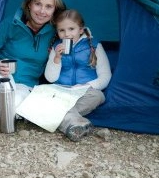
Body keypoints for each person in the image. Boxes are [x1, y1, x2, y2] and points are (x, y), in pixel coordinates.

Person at [0, 0, 66, 116]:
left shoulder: (55, 33)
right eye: (38, 4)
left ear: (54, 10)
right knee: (5, 92)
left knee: (13, 110)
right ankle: (1, 106)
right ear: (29, 4)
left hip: (25, 86)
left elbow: (76, 31)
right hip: (0, 78)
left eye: (48, 7)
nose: (42, 11)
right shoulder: (11, 23)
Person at [44, 9, 112, 141]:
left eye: (71, 29)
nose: (66, 34)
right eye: (61, 30)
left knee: (98, 96)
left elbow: (105, 76)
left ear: (81, 30)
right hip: (61, 91)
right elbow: (50, 78)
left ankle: (63, 116)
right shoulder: (56, 48)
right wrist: (57, 58)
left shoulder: (94, 46)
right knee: (46, 95)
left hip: (85, 92)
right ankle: (76, 123)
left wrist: (87, 85)